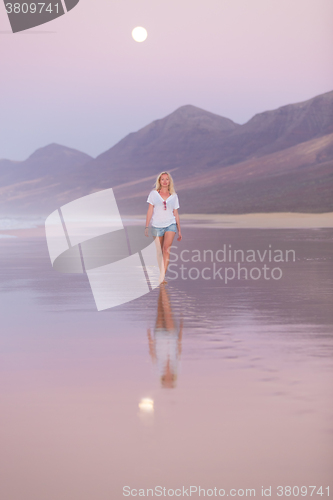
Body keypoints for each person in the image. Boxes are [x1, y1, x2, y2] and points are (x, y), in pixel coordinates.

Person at [145, 171, 182, 284]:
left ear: (169, 181)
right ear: (159, 181)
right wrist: (147, 226)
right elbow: (150, 210)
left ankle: (162, 276)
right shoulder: (153, 194)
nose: (165, 181)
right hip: (156, 225)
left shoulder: (174, 196)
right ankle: (161, 272)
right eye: (162, 179)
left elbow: (175, 213)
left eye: (167, 179)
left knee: (166, 249)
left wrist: (179, 230)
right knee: (159, 251)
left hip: (170, 225)